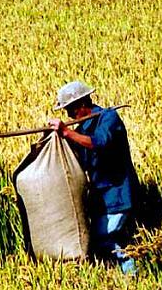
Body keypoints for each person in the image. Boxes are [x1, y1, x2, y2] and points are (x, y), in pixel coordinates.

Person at [48, 81, 139, 275]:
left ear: (81, 104)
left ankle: (131, 273)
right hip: (100, 196)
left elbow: (99, 142)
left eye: (70, 110)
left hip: (118, 193)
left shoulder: (108, 118)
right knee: (107, 239)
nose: (69, 115)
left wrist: (66, 132)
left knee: (105, 235)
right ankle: (122, 273)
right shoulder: (81, 130)